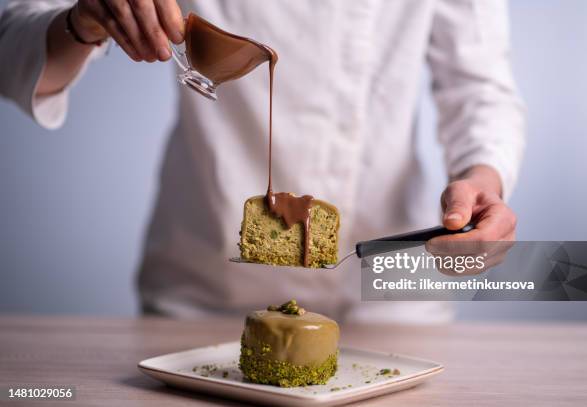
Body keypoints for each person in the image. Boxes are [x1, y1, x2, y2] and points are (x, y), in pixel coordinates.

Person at [0, 0, 524, 323]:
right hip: (206, 296)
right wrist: (82, 23)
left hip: (391, 296)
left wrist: (483, 180)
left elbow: (478, 86)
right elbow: (13, 47)